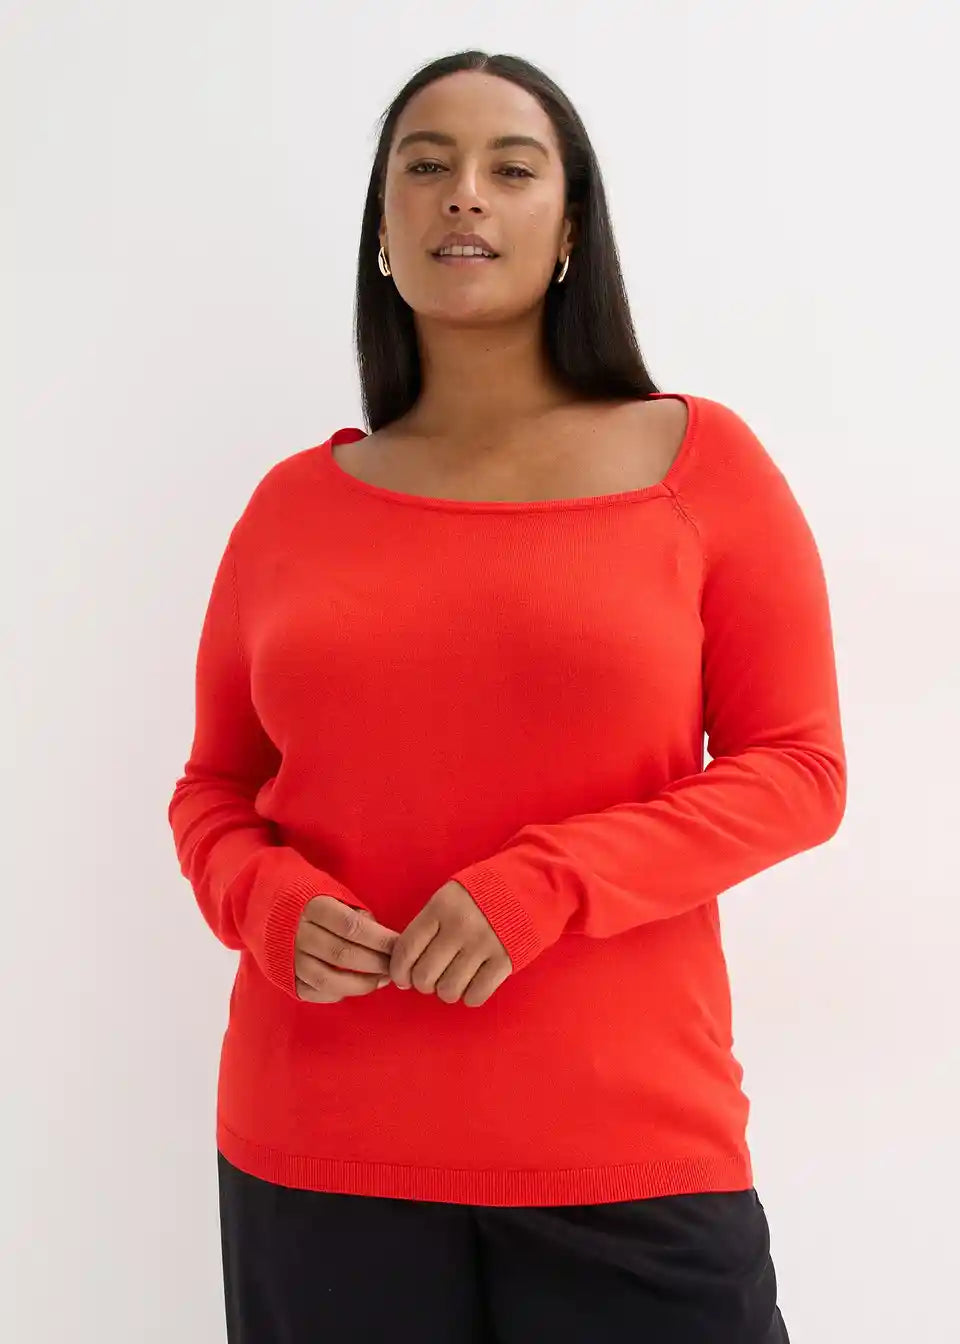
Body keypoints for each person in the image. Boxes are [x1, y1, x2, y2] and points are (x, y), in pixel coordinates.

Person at [168, 49, 846, 1344]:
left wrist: (547, 882)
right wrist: (264, 901)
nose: (463, 193)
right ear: (382, 231)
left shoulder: (697, 464)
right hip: (319, 1153)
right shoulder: (292, 508)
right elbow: (215, 791)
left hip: (627, 1145)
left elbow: (799, 770)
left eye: (511, 168)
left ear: (572, 227)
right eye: (425, 166)